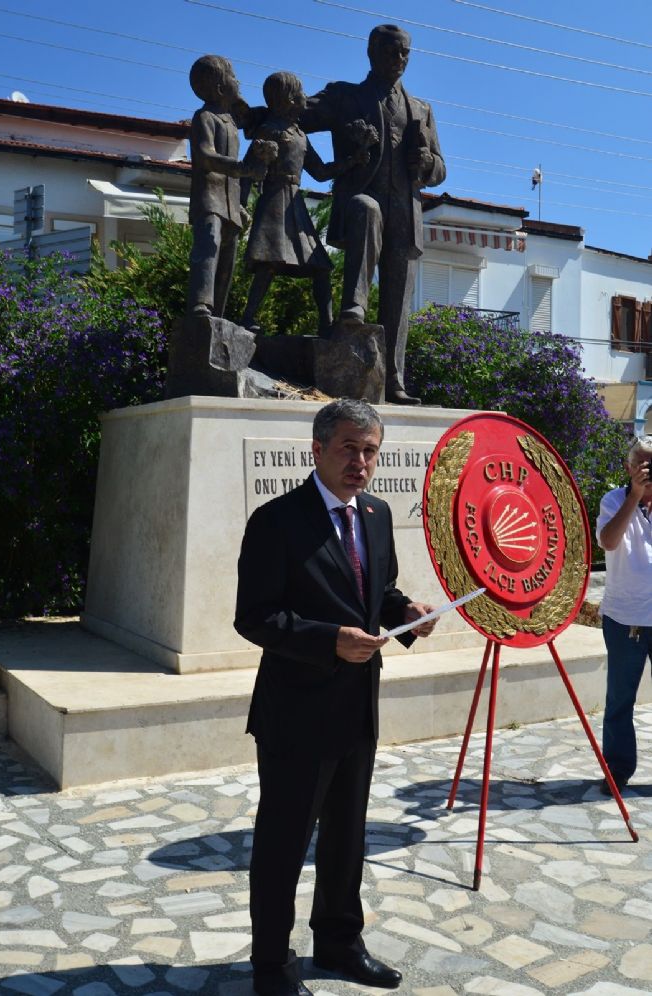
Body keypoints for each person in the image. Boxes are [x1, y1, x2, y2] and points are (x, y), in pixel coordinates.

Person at [234, 398, 437, 996]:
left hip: (357, 708)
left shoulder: (375, 514)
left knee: (348, 837)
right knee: (283, 844)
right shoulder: (276, 521)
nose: (362, 461)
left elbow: (380, 590)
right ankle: (272, 967)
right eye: (350, 447)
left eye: (371, 449)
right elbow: (255, 617)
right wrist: (329, 641)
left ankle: (340, 943)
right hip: (295, 713)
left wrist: (406, 612)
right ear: (317, 448)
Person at [301, 24, 446, 405]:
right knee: (368, 209)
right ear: (371, 52)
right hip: (361, 201)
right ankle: (354, 307)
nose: (399, 59)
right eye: (392, 51)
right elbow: (294, 116)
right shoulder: (345, 97)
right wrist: (248, 113)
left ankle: (394, 379)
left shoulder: (421, 110)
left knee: (399, 297)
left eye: (405, 53)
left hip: (406, 212)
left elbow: (441, 169)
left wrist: (429, 161)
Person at [241, 71, 366, 338]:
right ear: (287, 99)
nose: (304, 99)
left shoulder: (299, 135)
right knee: (268, 262)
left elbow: (320, 172)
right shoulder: (268, 130)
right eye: (299, 94)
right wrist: (241, 203)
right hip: (274, 200)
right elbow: (248, 169)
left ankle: (327, 324)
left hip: (295, 203)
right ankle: (248, 317)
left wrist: (353, 161)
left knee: (320, 266)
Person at [186, 54, 276, 318]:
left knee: (228, 260)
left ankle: (219, 314)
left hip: (230, 203)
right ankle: (201, 304)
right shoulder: (205, 117)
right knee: (208, 249)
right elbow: (204, 156)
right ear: (220, 87)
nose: (239, 81)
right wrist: (241, 168)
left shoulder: (232, 124)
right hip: (210, 199)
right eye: (233, 76)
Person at [597, 435, 652, 795]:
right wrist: (634, 497)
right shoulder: (614, 500)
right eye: (644, 464)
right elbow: (608, 541)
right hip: (625, 617)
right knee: (620, 699)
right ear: (630, 468)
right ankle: (617, 770)